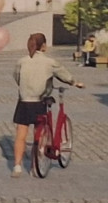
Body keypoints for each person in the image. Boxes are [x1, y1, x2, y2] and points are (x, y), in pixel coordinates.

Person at [11, 33, 83, 178]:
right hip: (39, 101)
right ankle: (35, 166)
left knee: (20, 135)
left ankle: (17, 166)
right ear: (43, 46)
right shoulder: (50, 62)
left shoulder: (21, 61)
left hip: (24, 102)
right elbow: (64, 75)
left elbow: (17, 77)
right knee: (39, 135)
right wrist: (75, 82)